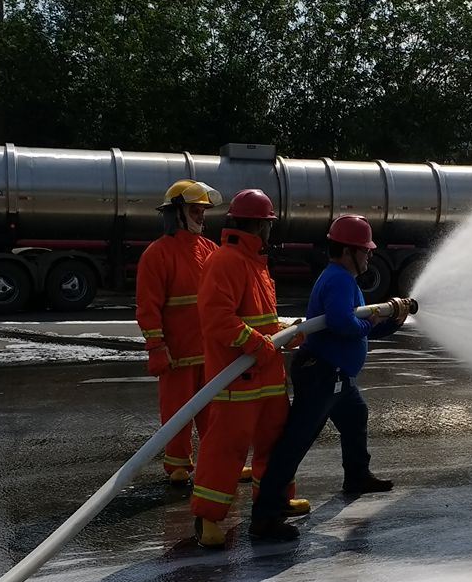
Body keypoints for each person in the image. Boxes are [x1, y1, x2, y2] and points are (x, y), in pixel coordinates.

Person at [251, 214, 411, 535]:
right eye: (364, 250)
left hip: (335, 374)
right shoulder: (338, 279)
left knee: (355, 416)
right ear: (347, 251)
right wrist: (372, 323)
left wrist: (393, 321)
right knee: (297, 439)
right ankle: (265, 516)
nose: (369, 255)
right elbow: (343, 324)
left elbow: (360, 328)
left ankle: (356, 476)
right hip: (323, 374)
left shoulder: (344, 279)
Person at [190, 188, 310, 547]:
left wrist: (287, 332)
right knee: (226, 448)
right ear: (259, 225)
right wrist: (262, 344)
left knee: (275, 445)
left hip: (268, 379)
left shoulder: (255, 263)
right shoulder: (226, 261)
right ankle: (208, 518)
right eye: (268, 224)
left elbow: (260, 320)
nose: (271, 231)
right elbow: (217, 320)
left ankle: (273, 503)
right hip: (237, 380)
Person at [135, 179, 221, 484]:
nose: (201, 217)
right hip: (177, 354)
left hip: (209, 352)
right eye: (196, 211)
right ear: (177, 213)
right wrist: (156, 347)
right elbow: (148, 307)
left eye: (202, 211)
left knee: (214, 414)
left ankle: (217, 464)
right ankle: (178, 466)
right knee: (177, 414)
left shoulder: (210, 249)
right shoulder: (157, 254)